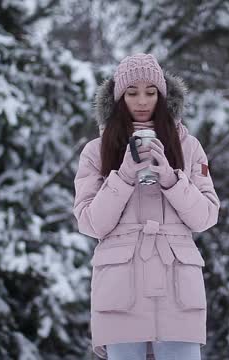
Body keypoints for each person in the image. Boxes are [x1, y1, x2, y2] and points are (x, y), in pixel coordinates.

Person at [73, 53, 220, 360]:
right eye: (132, 92)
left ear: (163, 96)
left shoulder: (189, 147)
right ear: (118, 98)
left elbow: (206, 215)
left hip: (177, 289)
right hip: (121, 290)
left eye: (151, 92)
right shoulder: (94, 152)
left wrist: (170, 177)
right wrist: (124, 175)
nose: (142, 101)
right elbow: (90, 222)